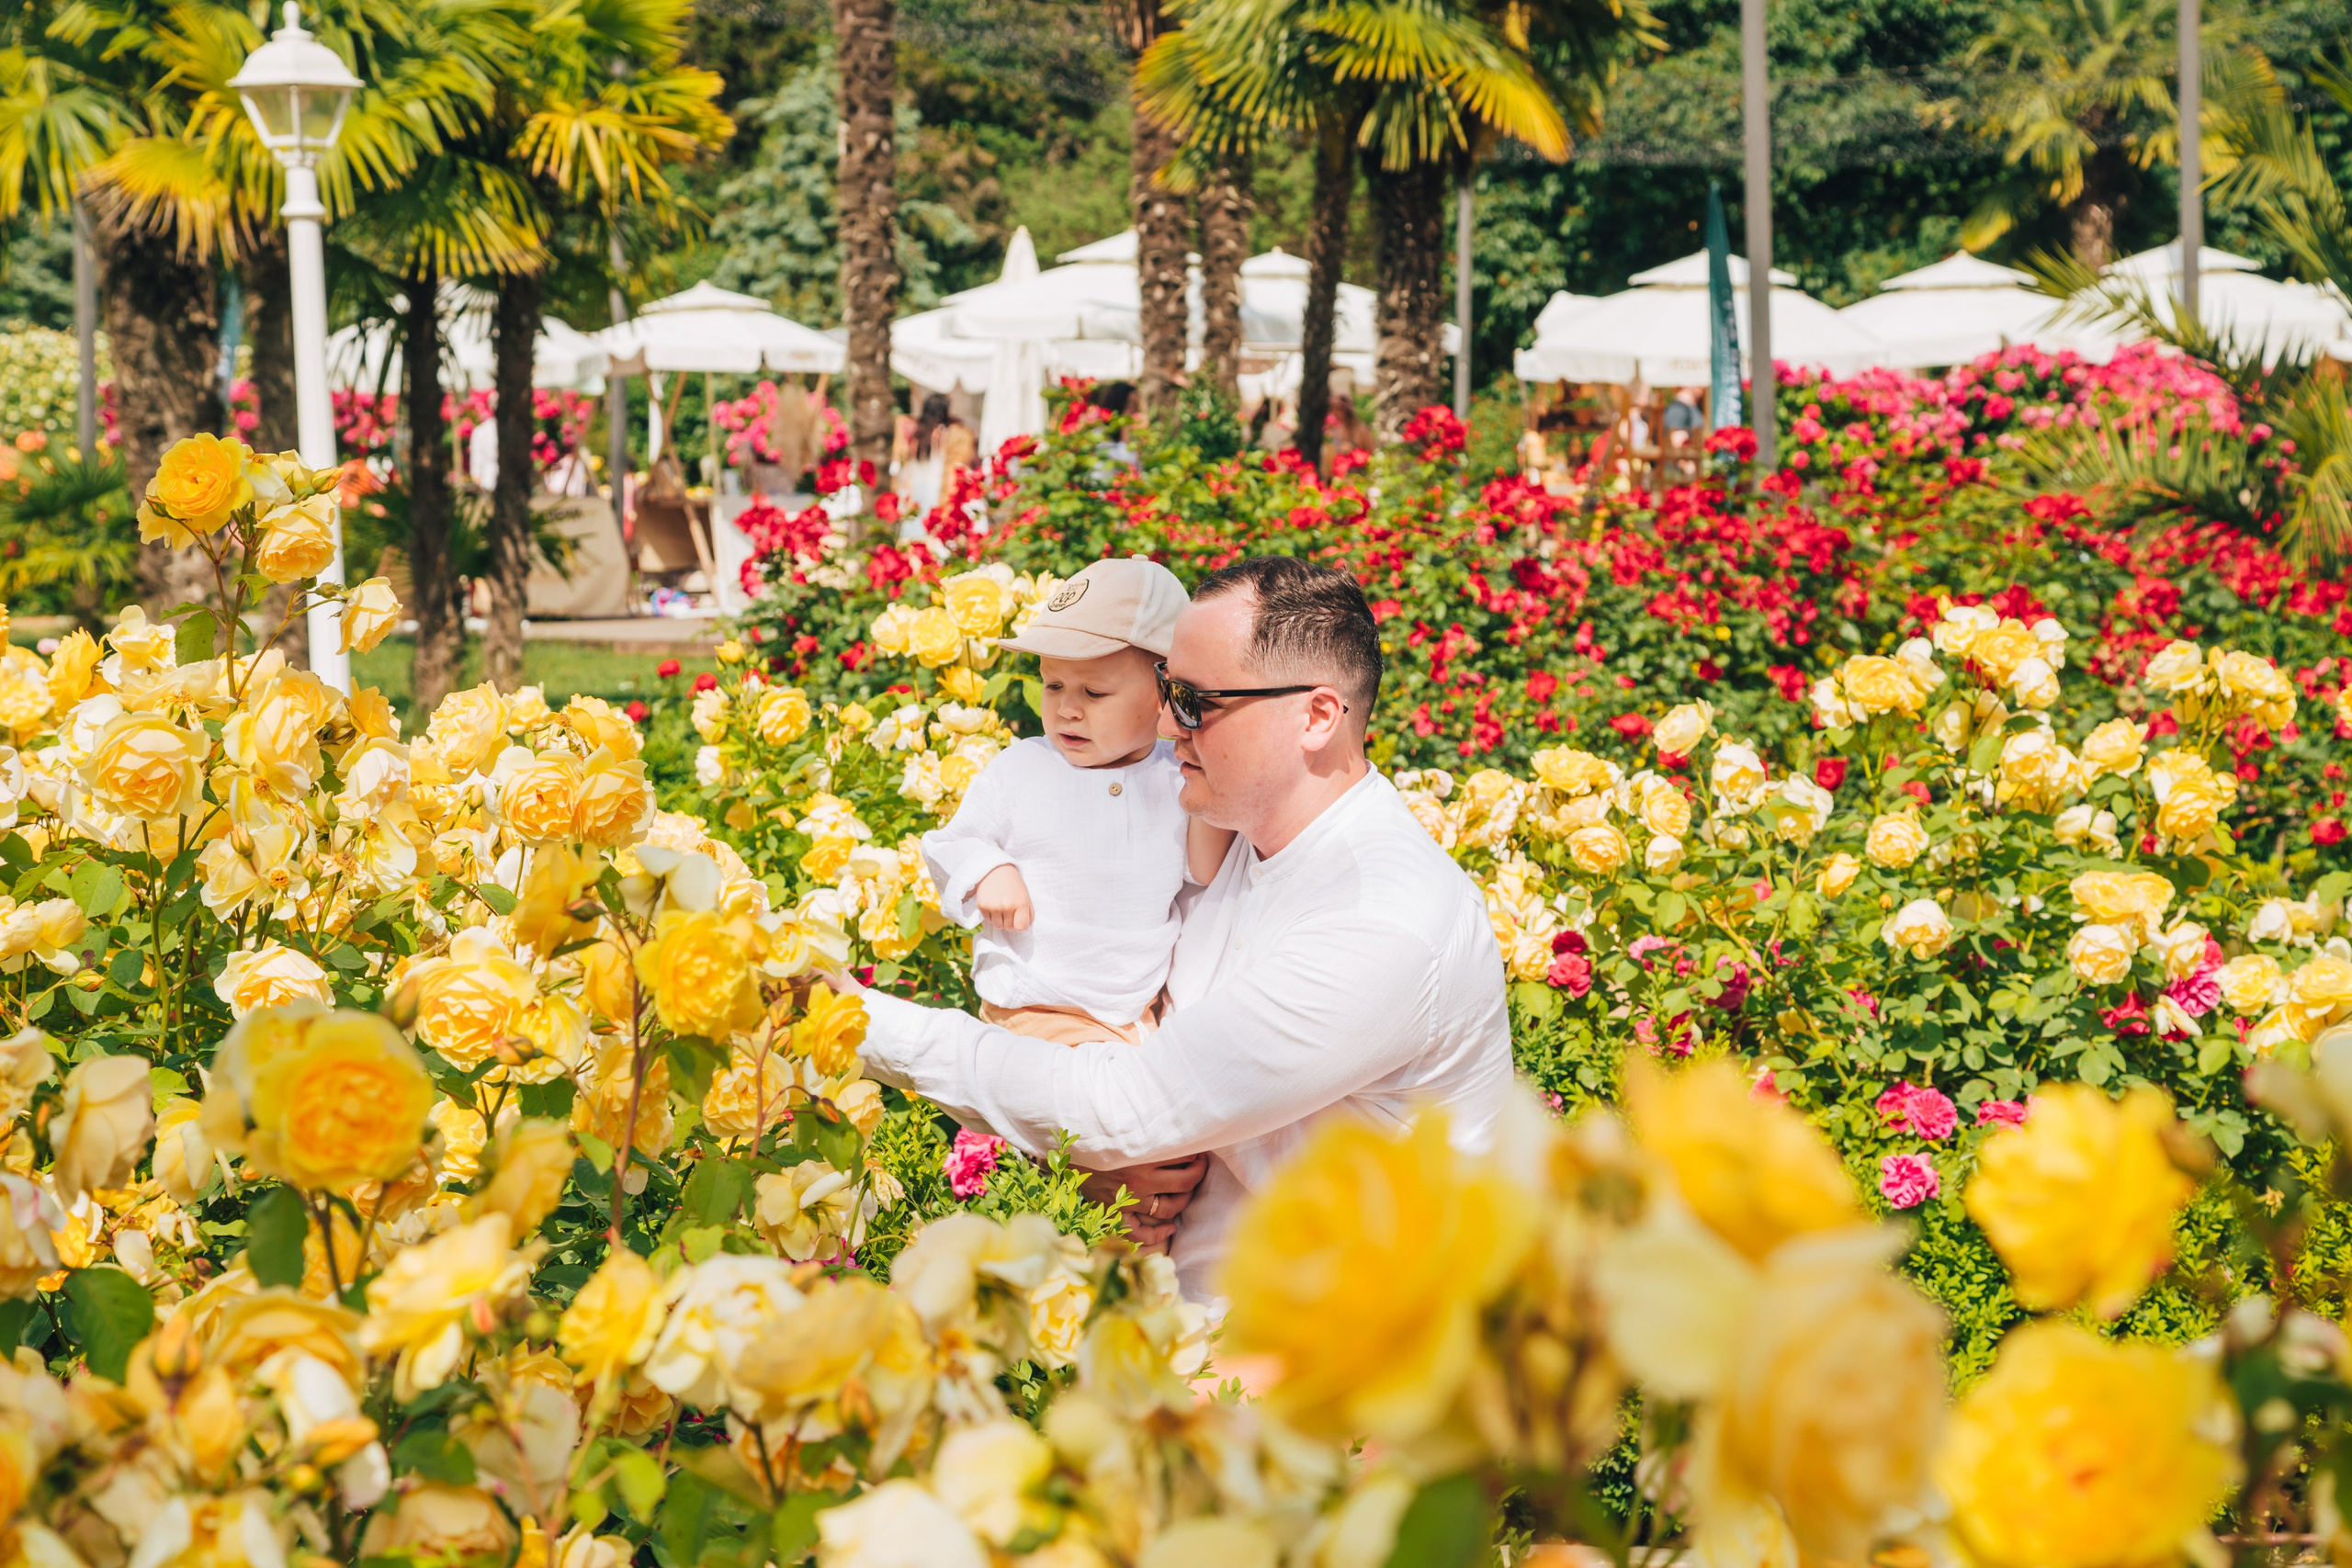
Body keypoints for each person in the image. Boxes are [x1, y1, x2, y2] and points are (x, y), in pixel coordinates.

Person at [841, 556, 1513, 1305]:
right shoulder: (1230, 836)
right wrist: (1105, 1161)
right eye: (1165, 690)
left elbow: (1124, 1105)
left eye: (1195, 700)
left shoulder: (1381, 919)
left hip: (1322, 1370)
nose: (1163, 724)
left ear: (1317, 717)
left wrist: (849, 1016)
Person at [921, 557, 1233, 1057]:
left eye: (1094, 691)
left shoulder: (1176, 779)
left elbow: (1203, 867)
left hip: (1130, 1012)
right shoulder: (1023, 768)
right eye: (1053, 685)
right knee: (1106, 1110)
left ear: (1165, 697)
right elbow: (951, 842)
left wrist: (1213, 765)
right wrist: (990, 870)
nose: (1067, 708)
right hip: (1036, 1004)